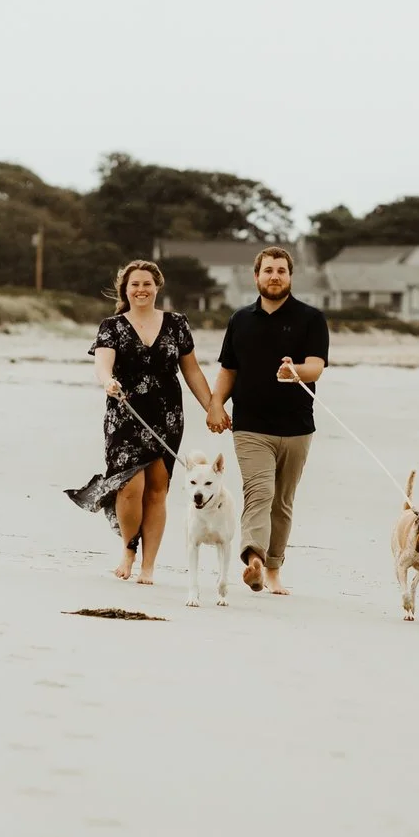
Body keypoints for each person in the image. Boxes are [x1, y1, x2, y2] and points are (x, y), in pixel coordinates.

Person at [66, 260, 221, 584]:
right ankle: (129, 549)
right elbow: (102, 364)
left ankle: (148, 565)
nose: (141, 290)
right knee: (129, 487)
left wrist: (212, 406)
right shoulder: (111, 326)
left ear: (157, 286)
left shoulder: (177, 324)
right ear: (125, 289)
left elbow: (191, 371)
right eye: (134, 284)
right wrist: (108, 381)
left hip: (166, 416)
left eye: (147, 284)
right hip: (124, 414)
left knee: (156, 491)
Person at [206, 246, 329, 595]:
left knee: (282, 503)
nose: (274, 276)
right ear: (256, 276)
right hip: (250, 426)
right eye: (268, 270)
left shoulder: (311, 318)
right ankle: (254, 559)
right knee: (260, 492)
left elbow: (316, 366)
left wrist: (295, 371)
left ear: (290, 276)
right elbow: (229, 369)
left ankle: (274, 568)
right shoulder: (240, 320)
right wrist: (216, 405)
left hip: (297, 427)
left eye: (281, 271)